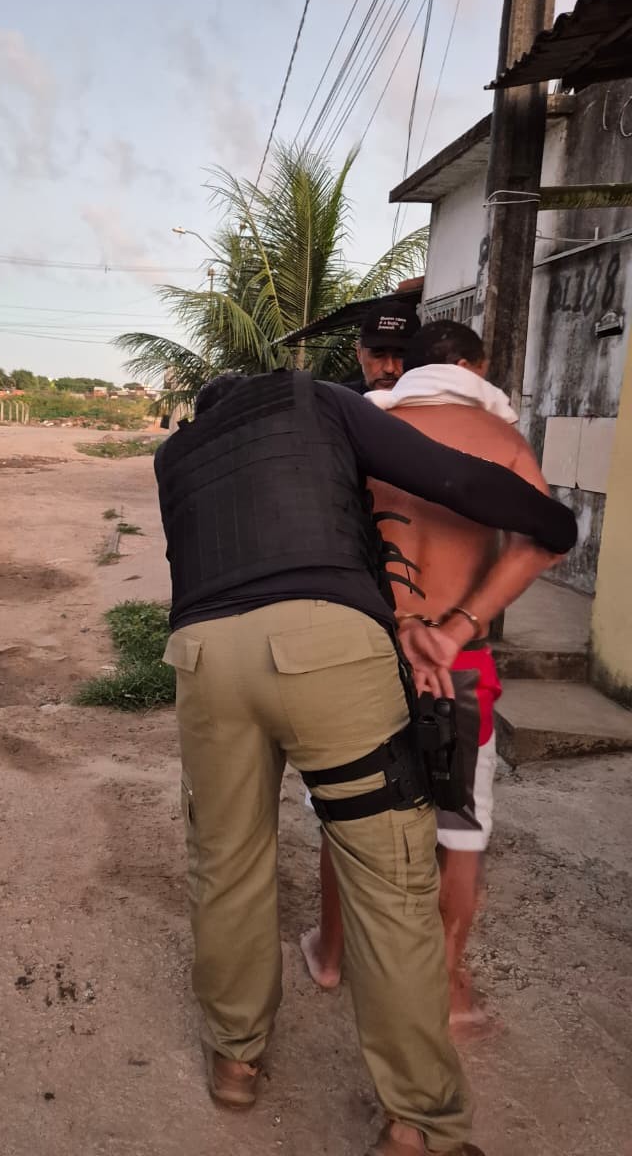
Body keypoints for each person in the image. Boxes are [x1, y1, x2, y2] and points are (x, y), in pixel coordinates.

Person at [154, 368, 576, 1156]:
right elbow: (451, 479)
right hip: (329, 653)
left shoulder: (176, 454)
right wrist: (554, 521)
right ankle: (418, 1122)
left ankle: (235, 1059)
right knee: (389, 884)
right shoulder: (313, 399)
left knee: (226, 860)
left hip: (206, 657)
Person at [302, 321, 551, 1038]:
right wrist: (457, 628)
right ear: (476, 367)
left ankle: (332, 955)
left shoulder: (363, 432)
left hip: (368, 649)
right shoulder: (502, 439)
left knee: (347, 811)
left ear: (403, 367)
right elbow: (545, 542)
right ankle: (446, 989)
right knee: (460, 828)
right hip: (456, 659)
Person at [344, 295, 420, 394]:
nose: (389, 368)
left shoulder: (434, 400)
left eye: (400, 355)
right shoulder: (337, 401)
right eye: (378, 355)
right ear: (359, 353)